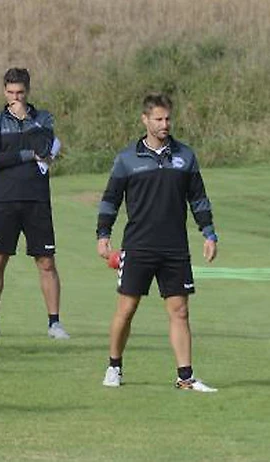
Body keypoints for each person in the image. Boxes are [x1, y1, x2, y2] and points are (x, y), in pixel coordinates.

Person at [97, 93, 218, 392]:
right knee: (127, 309)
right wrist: (103, 235)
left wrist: (209, 232)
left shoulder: (185, 156)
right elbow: (110, 200)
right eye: (158, 119)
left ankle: (185, 377)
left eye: (168, 119)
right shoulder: (127, 159)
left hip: (175, 247)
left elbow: (198, 199)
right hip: (138, 246)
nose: (165, 124)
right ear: (145, 120)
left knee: (180, 311)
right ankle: (114, 366)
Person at [0, 67, 69, 340]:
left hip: (36, 198)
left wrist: (27, 120)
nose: (15, 98)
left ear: (28, 91)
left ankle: (54, 323)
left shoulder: (43, 118)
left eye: (20, 92)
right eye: (10, 92)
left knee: (46, 262)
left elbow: (47, 149)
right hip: (4, 198)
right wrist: (29, 154)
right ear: (4, 91)